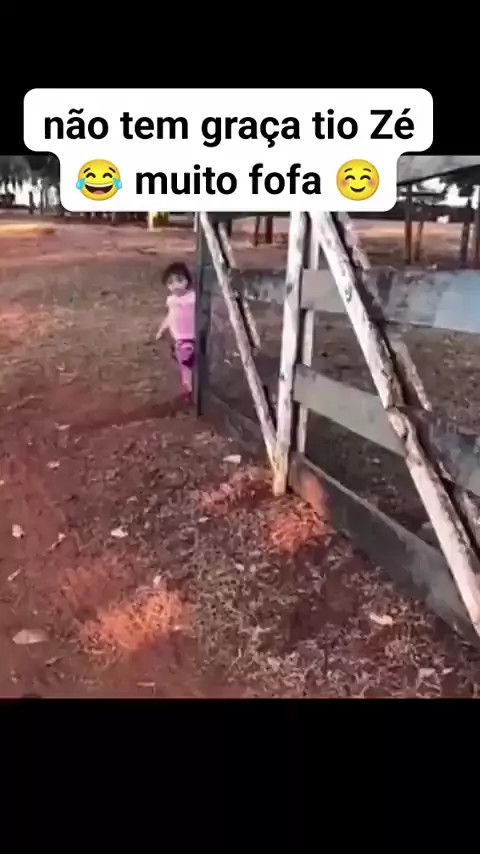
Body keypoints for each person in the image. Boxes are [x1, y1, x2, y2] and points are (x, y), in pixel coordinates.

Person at [155, 262, 196, 399]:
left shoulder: (194, 298)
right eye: (170, 282)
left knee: (189, 360)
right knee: (184, 364)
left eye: (179, 280)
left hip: (193, 335)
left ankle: (190, 386)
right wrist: (161, 330)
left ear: (187, 280)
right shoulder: (171, 300)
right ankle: (188, 387)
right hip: (179, 337)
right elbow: (170, 316)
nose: (176, 285)